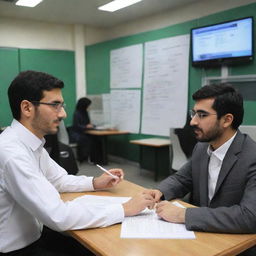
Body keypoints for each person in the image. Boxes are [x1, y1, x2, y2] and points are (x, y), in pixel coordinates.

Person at [0, 70, 155, 255]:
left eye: (62, 105)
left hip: (37, 233)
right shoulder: (12, 152)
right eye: (55, 105)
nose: (63, 114)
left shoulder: (30, 144)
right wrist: (124, 209)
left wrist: (95, 183)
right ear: (27, 108)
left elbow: (59, 180)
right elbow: (59, 216)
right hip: (16, 249)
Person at [144, 83, 256, 256]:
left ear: (227, 120)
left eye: (202, 115)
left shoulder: (252, 157)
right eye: (194, 113)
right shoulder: (201, 148)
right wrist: (158, 191)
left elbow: (249, 217)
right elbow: (181, 179)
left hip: (235, 246)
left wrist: (183, 215)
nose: (193, 121)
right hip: (200, 239)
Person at [70, 97, 95, 163]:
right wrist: (86, 126)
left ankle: (94, 157)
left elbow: (88, 123)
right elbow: (77, 126)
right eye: (88, 105)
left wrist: (91, 125)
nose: (89, 107)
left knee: (94, 138)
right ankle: (82, 157)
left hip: (85, 132)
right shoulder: (77, 113)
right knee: (85, 139)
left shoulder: (85, 112)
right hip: (77, 133)